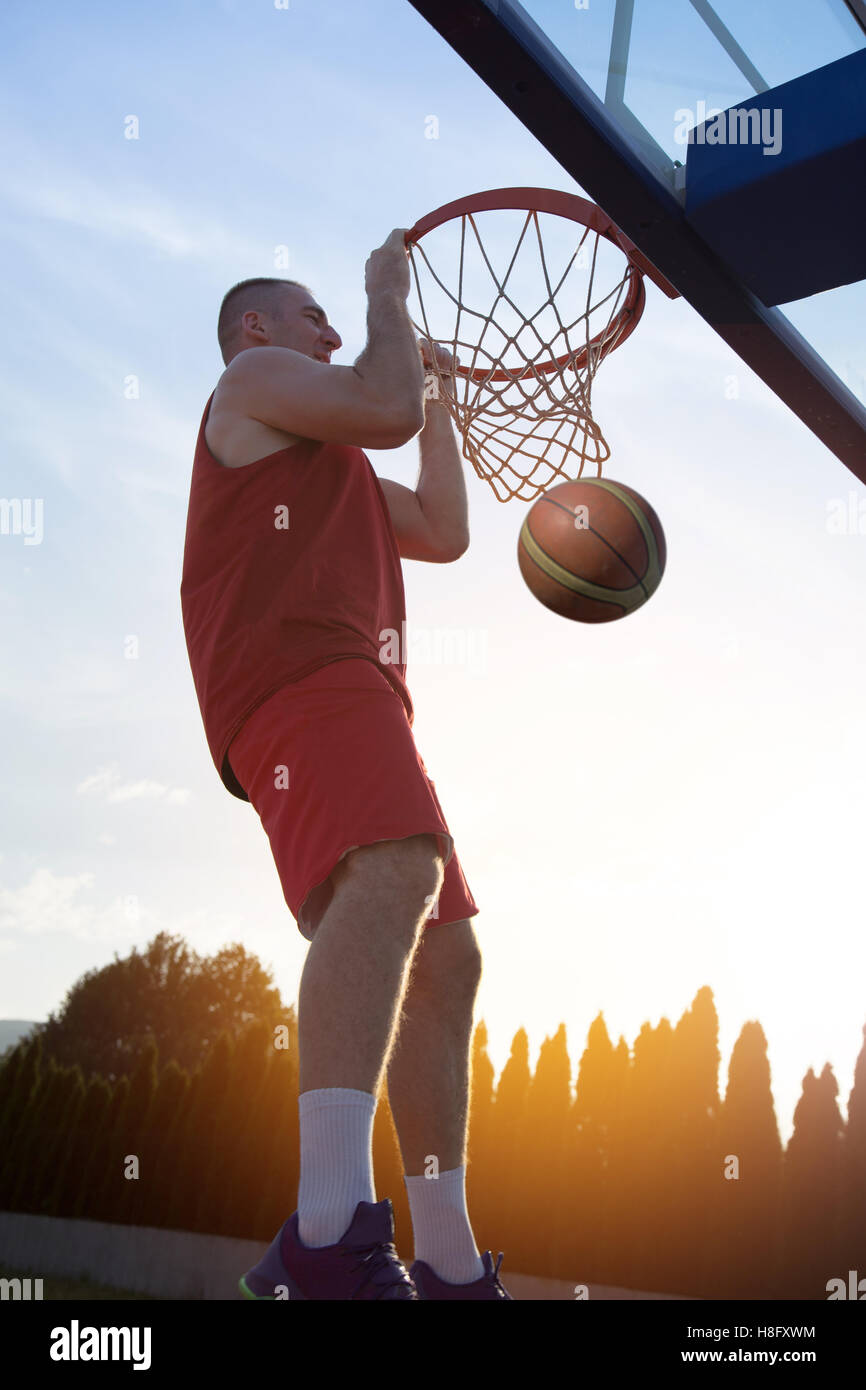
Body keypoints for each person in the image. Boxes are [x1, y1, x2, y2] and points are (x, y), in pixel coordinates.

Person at [180, 228, 512, 1299]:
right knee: (393, 872)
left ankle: (449, 1261)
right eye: (308, 310)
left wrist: (444, 407)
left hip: (353, 690)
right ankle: (322, 1237)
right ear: (255, 326)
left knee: (448, 955)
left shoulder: (334, 469)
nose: (328, 326)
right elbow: (381, 402)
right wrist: (384, 295)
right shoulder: (250, 384)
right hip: (295, 677)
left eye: (337, 310)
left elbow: (447, 528)